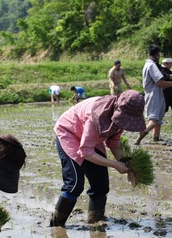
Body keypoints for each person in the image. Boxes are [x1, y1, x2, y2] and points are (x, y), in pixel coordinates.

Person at [50, 90, 146, 227]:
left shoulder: (119, 116)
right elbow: (86, 152)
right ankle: (56, 226)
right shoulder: (96, 115)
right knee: (74, 184)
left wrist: (124, 162)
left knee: (100, 184)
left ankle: (95, 222)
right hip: (70, 133)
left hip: (90, 139)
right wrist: (115, 165)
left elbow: (113, 142)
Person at [135, 44, 172, 145]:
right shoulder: (151, 65)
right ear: (157, 54)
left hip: (155, 93)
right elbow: (159, 82)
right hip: (154, 95)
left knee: (158, 119)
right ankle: (138, 140)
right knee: (154, 120)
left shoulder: (148, 64)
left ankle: (156, 138)